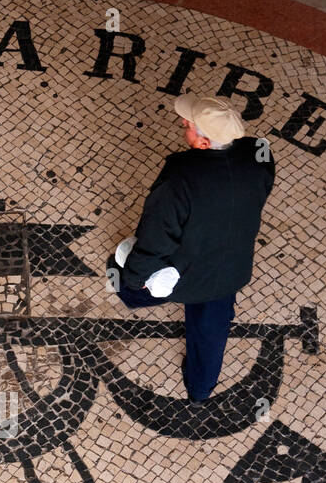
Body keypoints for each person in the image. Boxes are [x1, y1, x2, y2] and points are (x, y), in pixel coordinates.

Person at [107, 94, 275, 401]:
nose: (184, 126)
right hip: (231, 270)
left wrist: (131, 277)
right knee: (210, 332)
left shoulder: (180, 177)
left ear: (202, 144)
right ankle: (199, 389)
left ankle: (136, 296)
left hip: (185, 274)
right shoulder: (259, 154)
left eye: (187, 126)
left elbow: (156, 239)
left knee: (119, 271)